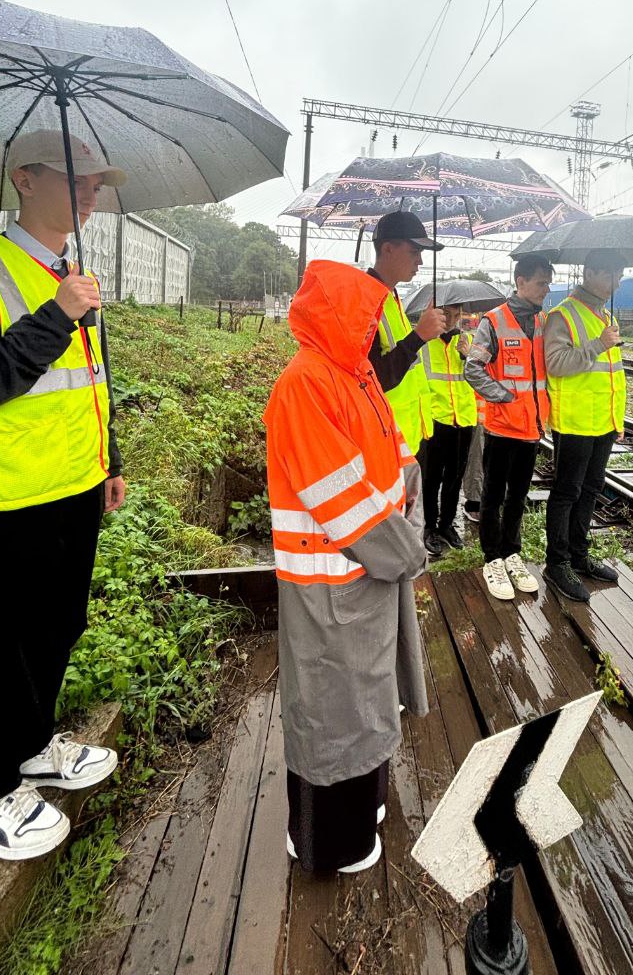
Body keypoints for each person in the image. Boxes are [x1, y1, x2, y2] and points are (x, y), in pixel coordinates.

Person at [0, 130, 126, 861]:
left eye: (97, 183)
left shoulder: (68, 274)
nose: (89, 192)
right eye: (73, 177)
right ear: (23, 179)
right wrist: (56, 317)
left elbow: (89, 384)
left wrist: (110, 460)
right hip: (3, 501)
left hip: (73, 488)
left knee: (56, 627)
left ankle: (34, 748)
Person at [264, 258, 428, 875]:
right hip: (329, 586)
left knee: (365, 702)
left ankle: (362, 811)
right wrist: (408, 548)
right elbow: (341, 496)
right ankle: (325, 840)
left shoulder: (354, 374)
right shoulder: (307, 383)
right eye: (364, 317)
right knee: (332, 711)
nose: (373, 330)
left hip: (366, 577)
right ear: (338, 316)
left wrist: (406, 517)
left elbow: (396, 457)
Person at [464, 253, 553, 601]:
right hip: (502, 429)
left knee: (518, 496)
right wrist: (503, 397)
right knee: (493, 497)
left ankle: (511, 551)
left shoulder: (544, 322)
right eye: (541, 282)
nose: (546, 289)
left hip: (532, 429)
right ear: (520, 282)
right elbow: (474, 368)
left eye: (548, 283)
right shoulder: (494, 321)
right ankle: (492, 558)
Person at [543, 248, 627, 603]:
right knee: (567, 492)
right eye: (610, 274)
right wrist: (598, 344)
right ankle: (557, 562)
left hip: (602, 421)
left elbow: (610, 375)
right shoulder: (563, 315)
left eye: (618, 275)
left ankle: (579, 555)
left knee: (591, 490)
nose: (616, 282)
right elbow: (556, 363)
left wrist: (616, 418)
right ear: (590, 273)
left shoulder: (604, 314)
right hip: (576, 420)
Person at [367, 211, 446, 456]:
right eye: (414, 252)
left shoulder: (390, 296)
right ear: (388, 249)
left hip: (405, 439)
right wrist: (418, 337)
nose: (420, 262)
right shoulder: (365, 301)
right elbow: (371, 380)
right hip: (383, 442)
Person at [419, 302, 477, 556]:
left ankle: (446, 524)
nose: (453, 320)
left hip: (463, 420)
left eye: (457, 315)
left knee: (455, 478)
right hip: (434, 420)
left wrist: (470, 357)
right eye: (448, 314)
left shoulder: (468, 341)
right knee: (430, 479)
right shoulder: (423, 343)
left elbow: (483, 376)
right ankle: (429, 527)